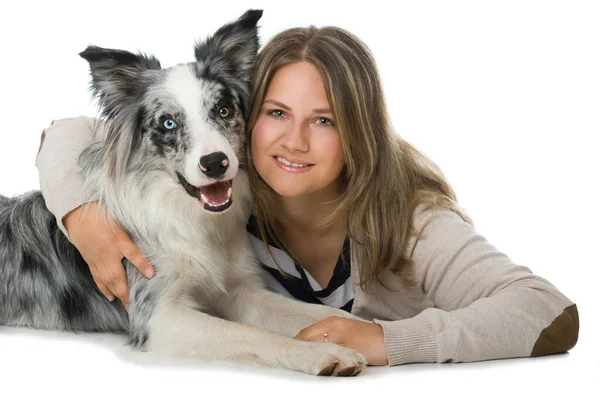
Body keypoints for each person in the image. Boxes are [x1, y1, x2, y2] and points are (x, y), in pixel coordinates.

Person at [35, 25, 578, 367]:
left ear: (359, 131)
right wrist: (80, 212)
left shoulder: (412, 224)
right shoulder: (231, 203)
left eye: (324, 120)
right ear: (253, 116)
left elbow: (548, 312)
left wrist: (389, 342)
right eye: (276, 114)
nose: (293, 142)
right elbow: (71, 131)